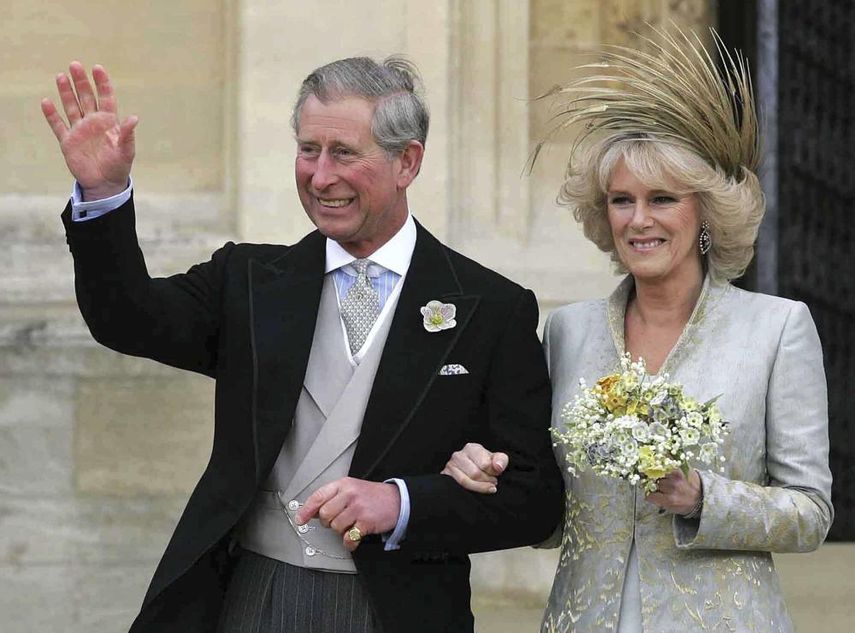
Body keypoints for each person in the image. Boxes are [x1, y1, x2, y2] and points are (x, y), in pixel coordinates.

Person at [42, 56, 563, 633]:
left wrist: (404, 503)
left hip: (398, 610)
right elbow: (127, 320)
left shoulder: (491, 307)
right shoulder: (249, 280)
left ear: (407, 161)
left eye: (343, 153)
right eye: (308, 150)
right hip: (249, 597)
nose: (319, 176)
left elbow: (533, 499)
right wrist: (105, 195)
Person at [443, 28, 833, 632]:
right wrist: (487, 477)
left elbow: (811, 513)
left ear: (704, 212)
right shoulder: (568, 333)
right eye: (621, 201)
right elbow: (549, 513)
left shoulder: (776, 329)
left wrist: (704, 497)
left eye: (662, 199)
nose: (639, 220)